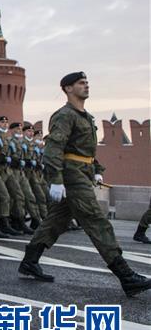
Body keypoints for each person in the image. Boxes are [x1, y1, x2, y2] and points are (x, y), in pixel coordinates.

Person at [18, 72, 150, 297]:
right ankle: (126, 276)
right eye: (81, 83)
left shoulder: (86, 117)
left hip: (82, 173)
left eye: (87, 82)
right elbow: (53, 149)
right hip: (71, 177)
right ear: (68, 89)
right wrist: (56, 180)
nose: (86, 85)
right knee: (96, 221)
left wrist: (96, 170)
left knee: (55, 221)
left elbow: (86, 151)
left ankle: (30, 261)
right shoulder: (64, 116)